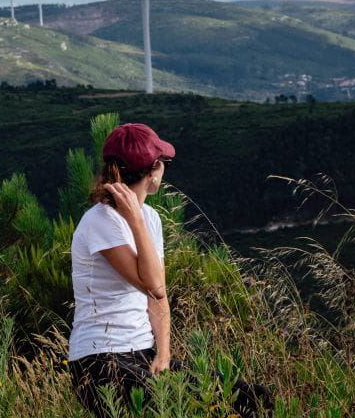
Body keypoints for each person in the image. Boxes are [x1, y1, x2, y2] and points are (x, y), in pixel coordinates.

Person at [67, 123, 271, 417]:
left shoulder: (151, 217)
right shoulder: (100, 222)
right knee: (186, 407)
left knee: (252, 399)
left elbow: (157, 298)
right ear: (153, 172)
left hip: (143, 352)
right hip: (99, 361)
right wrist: (135, 221)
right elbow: (153, 285)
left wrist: (164, 354)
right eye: (162, 163)